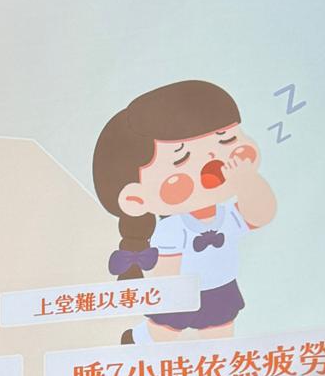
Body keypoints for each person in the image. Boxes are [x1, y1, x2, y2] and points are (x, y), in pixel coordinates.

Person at [92, 80, 276, 341]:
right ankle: (137, 340)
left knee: (220, 337)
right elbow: (167, 272)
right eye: (181, 158)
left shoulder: (226, 215)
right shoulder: (172, 228)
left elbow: (262, 214)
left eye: (227, 139)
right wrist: (170, 300)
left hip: (221, 289)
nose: (213, 157)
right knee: (162, 336)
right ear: (136, 199)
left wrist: (248, 181)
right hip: (179, 294)